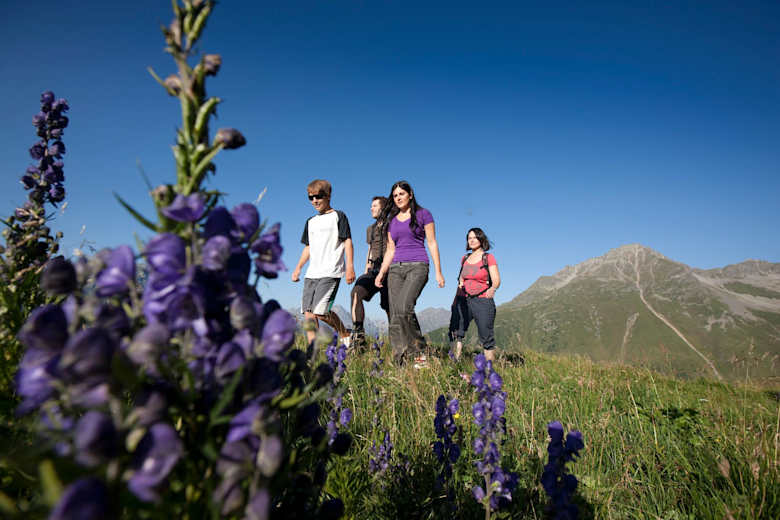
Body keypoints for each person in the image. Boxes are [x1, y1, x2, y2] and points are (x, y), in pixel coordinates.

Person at [375, 180, 445, 366]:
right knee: (395, 314)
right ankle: (400, 360)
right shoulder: (392, 221)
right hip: (395, 270)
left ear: (410, 194)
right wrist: (381, 273)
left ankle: (420, 353)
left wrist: (438, 271)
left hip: (418, 266)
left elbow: (432, 242)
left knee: (404, 308)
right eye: (395, 195)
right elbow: (390, 250)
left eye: (401, 194)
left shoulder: (423, 214)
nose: (398, 198)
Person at [291, 179, 356, 345]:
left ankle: (345, 334)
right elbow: (308, 247)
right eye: (310, 197)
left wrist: (350, 267)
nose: (314, 201)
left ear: (328, 196)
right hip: (312, 273)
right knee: (309, 314)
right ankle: (312, 350)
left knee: (321, 312)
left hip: (331, 271)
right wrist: (298, 268)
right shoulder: (310, 222)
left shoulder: (338, 216)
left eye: (318, 196)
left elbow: (347, 241)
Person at [350, 196, 390, 348]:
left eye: (374, 206)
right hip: (374, 270)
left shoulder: (392, 225)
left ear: (383, 208)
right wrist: (367, 267)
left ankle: (398, 342)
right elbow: (370, 249)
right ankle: (358, 339)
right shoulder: (370, 229)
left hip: (391, 271)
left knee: (388, 306)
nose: (371, 208)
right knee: (356, 293)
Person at [456, 228, 501, 361]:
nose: (472, 240)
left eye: (475, 237)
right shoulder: (465, 258)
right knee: (458, 331)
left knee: (486, 335)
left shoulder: (488, 258)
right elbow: (462, 276)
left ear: (481, 239)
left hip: (482, 301)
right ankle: (455, 361)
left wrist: (492, 289)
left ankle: (489, 367)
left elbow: (496, 280)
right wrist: (461, 283)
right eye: (469, 238)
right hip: (464, 299)